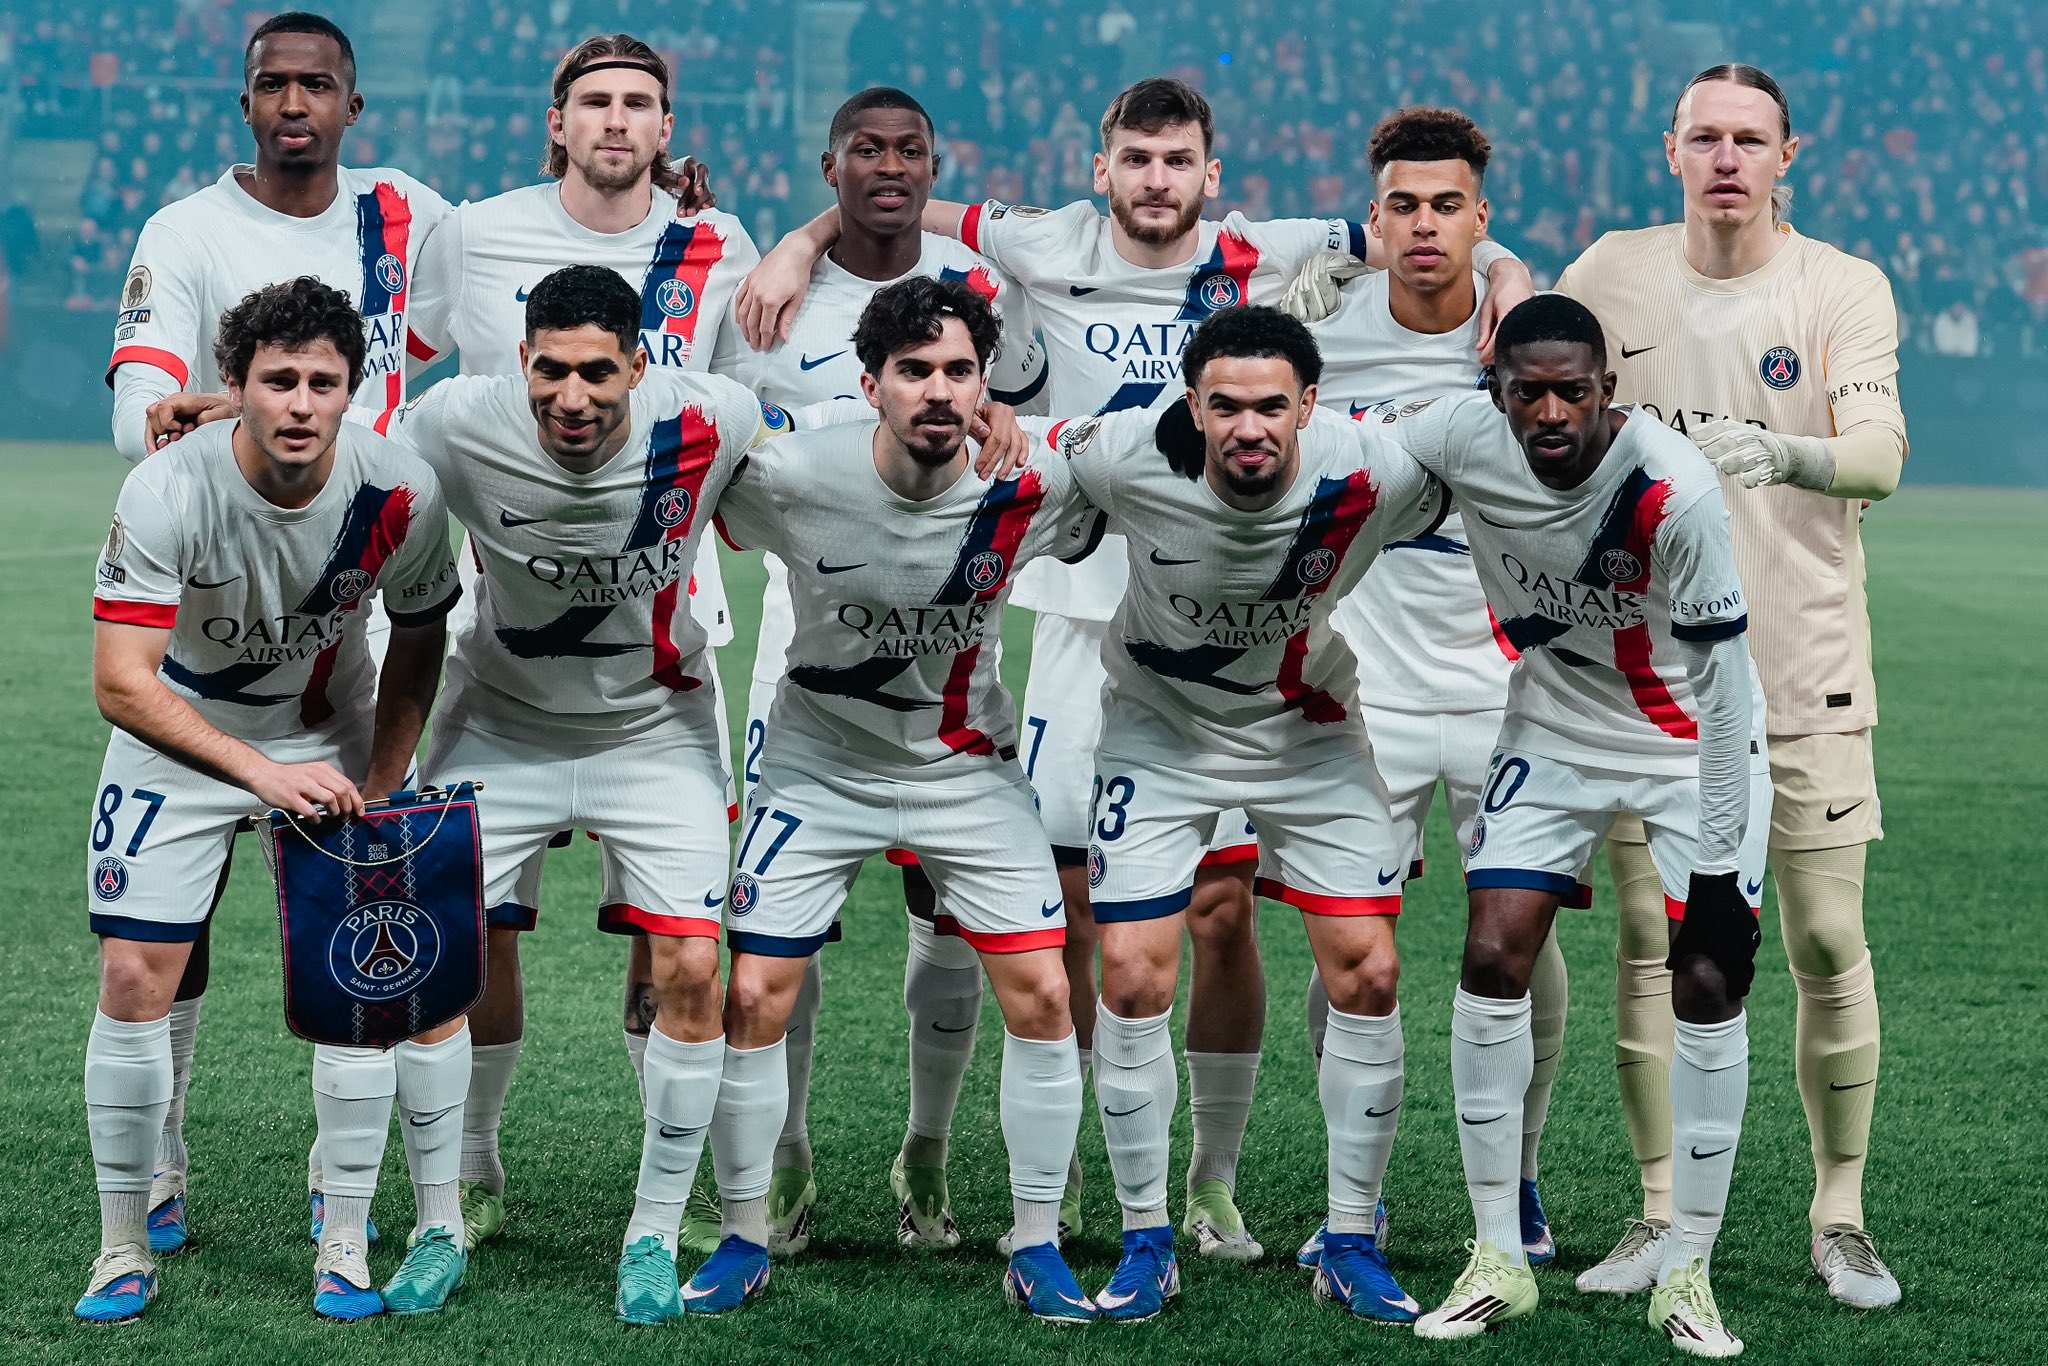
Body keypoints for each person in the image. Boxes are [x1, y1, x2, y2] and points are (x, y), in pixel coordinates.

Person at [740, 74, 1529, 1261]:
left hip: (1234, 611)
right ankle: (1045, 1175)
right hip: (1079, 612)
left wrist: (1510, 282)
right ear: (1099, 167)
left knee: (1219, 909)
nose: (1155, 181)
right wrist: (800, 245)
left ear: (1210, 173)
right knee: (1060, 909)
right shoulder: (1044, 241)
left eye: (1177, 161)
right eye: (1135, 159)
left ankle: (1208, 1182)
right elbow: (904, 207)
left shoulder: (1261, 249)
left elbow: (1425, 231)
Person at [1554, 64, 1908, 1308]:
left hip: (1801, 662)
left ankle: (1838, 1214)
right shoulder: (1608, 272)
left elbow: (1877, 455)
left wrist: (1779, 450)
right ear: (1669, 150)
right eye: (1702, 136)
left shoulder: (1837, 285)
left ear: (1783, 157)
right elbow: (1526, 378)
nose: (1723, 157)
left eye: (1746, 140)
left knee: (1821, 936)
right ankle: (1657, 1211)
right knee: (1654, 940)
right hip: (1649, 679)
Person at [98, 12, 451, 1250]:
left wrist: (681, 212)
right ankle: (157, 1155)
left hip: (348, 591)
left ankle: (339, 1184)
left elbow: (509, 290)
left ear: (353, 102)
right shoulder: (185, 231)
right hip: (216, 567)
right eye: (272, 85)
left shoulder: (407, 212)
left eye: (318, 85)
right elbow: (142, 408)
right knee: (169, 934)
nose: (294, 103)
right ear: (245, 103)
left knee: (362, 941)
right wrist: (226, 414)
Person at [402, 31, 757, 1256]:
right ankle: (470, 1172)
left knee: (670, 946)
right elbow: (397, 367)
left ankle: (670, 1193)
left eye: (637, 103)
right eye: (593, 101)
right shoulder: (474, 234)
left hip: (660, 626)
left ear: (666, 128)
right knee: (476, 934)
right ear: (555, 120)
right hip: (502, 624)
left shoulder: (718, 243)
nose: (615, 119)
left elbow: (760, 424)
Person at [1379, 295, 1770, 1358]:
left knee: (1706, 976)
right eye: (1527, 392)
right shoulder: (1459, 433)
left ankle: (1687, 1270)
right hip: (1551, 726)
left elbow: (1726, 699)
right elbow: (1347, 447)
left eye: (1571, 391)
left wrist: (1721, 872)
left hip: (1690, 739)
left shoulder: (1672, 491)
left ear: (1608, 389)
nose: (1549, 412)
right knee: (1489, 956)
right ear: (1495, 391)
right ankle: (1496, 1260)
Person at [704, 276, 1099, 1322]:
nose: (938, 391)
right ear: (869, 383)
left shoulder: (1030, 483)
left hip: (964, 771)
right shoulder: (792, 473)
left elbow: (1134, 461)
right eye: (914, 370)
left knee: (1045, 994)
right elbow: (691, 451)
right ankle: (743, 1233)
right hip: (817, 766)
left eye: (960, 372)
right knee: (754, 994)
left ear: (986, 386)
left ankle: (1036, 1241)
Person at [1046, 305, 1447, 1323]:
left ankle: (1349, 1239)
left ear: (1309, 405)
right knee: (1133, 974)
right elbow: (1025, 459)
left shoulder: (1371, 466)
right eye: (1225, 406)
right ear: (1193, 405)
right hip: (1158, 731)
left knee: (1370, 971)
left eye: (1271, 406)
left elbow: (1490, 456)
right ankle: (1146, 1242)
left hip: (1307, 729)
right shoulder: (1124, 451)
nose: (1248, 428)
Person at [77, 277, 464, 1323]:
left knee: (362, 982)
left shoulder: (402, 489)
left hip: (329, 736)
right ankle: (124, 1241)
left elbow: (420, 635)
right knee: (134, 974)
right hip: (177, 731)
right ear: (234, 384)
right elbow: (120, 682)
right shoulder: (168, 488)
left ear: (354, 389)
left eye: (321, 382)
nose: (299, 403)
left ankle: (343, 1235)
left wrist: (379, 779)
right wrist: (259, 774)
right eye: (278, 380)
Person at [735, 83, 1048, 1259]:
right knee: (786, 942)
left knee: (947, 919)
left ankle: (925, 1150)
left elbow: (1036, 433)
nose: (887, 165)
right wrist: (800, 242)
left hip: (949, 668)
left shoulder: (986, 288)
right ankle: (784, 1157)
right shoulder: (765, 296)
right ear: (830, 164)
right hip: (808, 650)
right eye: (863, 149)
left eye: (908, 150)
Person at [1283, 104, 1564, 1272]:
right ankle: (1354, 1192)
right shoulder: (1322, 333)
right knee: (1347, 943)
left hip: (1511, 687)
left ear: (1479, 216)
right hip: (1366, 690)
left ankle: (1521, 1174)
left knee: (1520, 938)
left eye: (1448, 206)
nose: (1423, 225)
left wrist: (1514, 275)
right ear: (1373, 214)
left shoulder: (1522, 341)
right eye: (1401, 204)